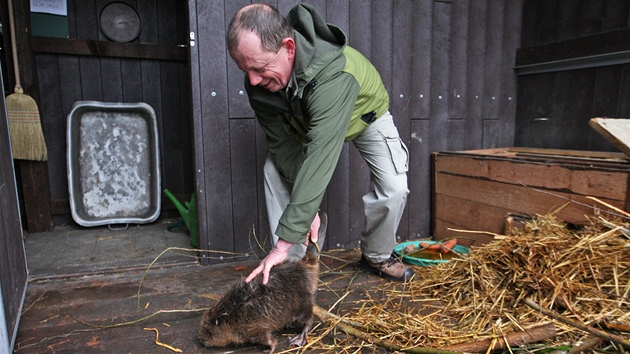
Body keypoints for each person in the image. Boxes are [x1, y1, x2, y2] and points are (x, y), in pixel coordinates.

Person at [227, 3, 414, 285]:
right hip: (306, 120)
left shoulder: (333, 76)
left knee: (394, 188)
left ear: (288, 47)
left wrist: (283, 241)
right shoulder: (260, 83)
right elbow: (282, 146)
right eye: (244, 69)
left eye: (259, 68)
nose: (252, 80)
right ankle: (293, 272)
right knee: (273, 169)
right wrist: (307, 212)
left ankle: (376, 256)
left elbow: (320, 155)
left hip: (363, 114)